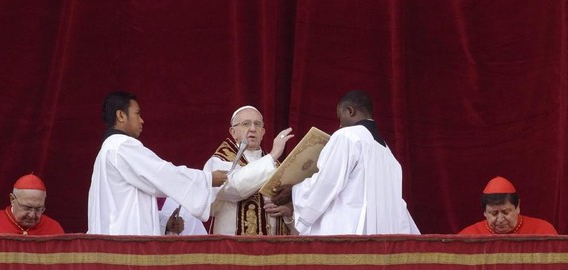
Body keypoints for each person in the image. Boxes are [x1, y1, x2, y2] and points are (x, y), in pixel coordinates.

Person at [271, 90, 419, 235]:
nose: (340, 125)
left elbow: (327, 181)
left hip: (349, 231)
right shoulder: (388, 153)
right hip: (382, 237)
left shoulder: (347, 136)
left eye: (339, 117)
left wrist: (295, 191)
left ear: (350, 111)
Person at [88, 91, 227, 235]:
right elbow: (162, 174)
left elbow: (124, 207)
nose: (142, 120)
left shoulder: (108, 150)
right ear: (121, 116)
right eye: (137, 114)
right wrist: (207, 179)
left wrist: (165, 224)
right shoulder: (122, 146)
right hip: (126, 245)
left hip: (116, 239)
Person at [203, 105, 294, 235]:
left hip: (274, 250)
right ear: (233, 132)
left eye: (257, 124)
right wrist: (273, 155)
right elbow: (233, 188)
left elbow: (296, 220)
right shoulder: (220, 160)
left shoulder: (276, 166)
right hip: (234, 249)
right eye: (246, 124)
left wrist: (288, 213)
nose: (252, 129)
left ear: (263, 132)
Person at [459, 176, 558, 235]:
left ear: (517, 206)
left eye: (506, 212)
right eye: (494, 213)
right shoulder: (468, 236)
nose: (500, 219)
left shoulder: (543, 231)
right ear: (484, 212)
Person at [0, 174, 64, 235]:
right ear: (12, 199)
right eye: (27, 207)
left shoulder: (54, 229)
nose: (32, 215)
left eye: (38, 209)